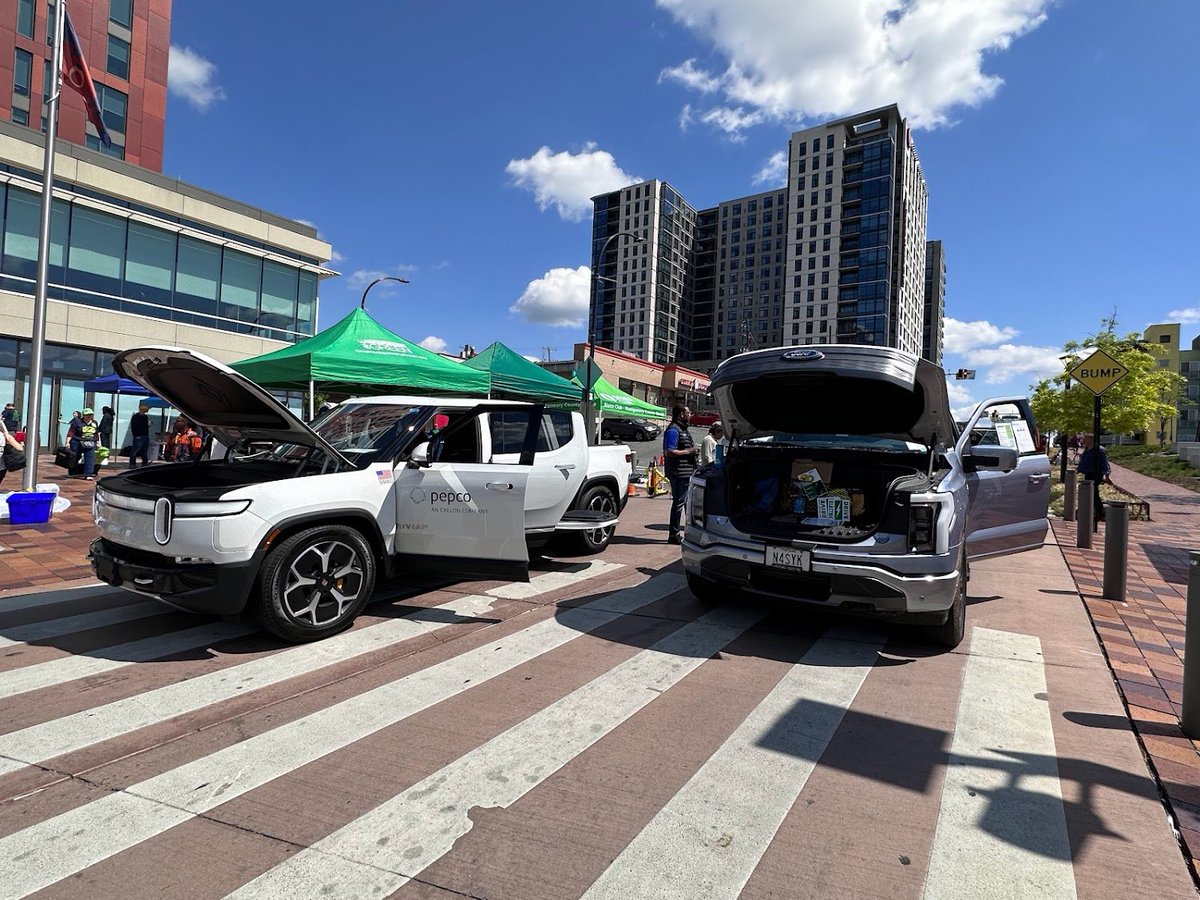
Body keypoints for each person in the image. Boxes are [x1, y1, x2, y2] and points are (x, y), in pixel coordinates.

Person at [662, 404, 698, 544]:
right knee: (679, 502)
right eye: (688, 413)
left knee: (687, 503)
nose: (690, 415)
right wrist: (690, 451)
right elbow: (669, 451)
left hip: (686, 471)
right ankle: (673, 534)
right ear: (681, 415)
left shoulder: (682, 429)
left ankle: (688, 532)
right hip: (679, 473)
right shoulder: (673, 430)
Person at [68, 407, 101, 480]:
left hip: (90, 442)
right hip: (77, 442)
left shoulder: (94, 423)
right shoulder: (77, 421)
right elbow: (71, 432)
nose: (89, 416)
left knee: (90, 458)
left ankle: (88, 474)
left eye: (90, 414)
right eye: (87, 415)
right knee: (74, 457)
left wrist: (98, 442)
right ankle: (72, 472)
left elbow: (96, 433)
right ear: (83, 415)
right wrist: (67, 442)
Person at [130, 402, 151, 467]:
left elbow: (145, 426)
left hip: (145, 435)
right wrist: (136, 435)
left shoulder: (145, 417)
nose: (147, 410)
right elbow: (134, 426)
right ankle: (132, 464)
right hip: (139, 436)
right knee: (135, 450)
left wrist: (148, 425)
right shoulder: (136, 417)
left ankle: (144, 463)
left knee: (144, 451)